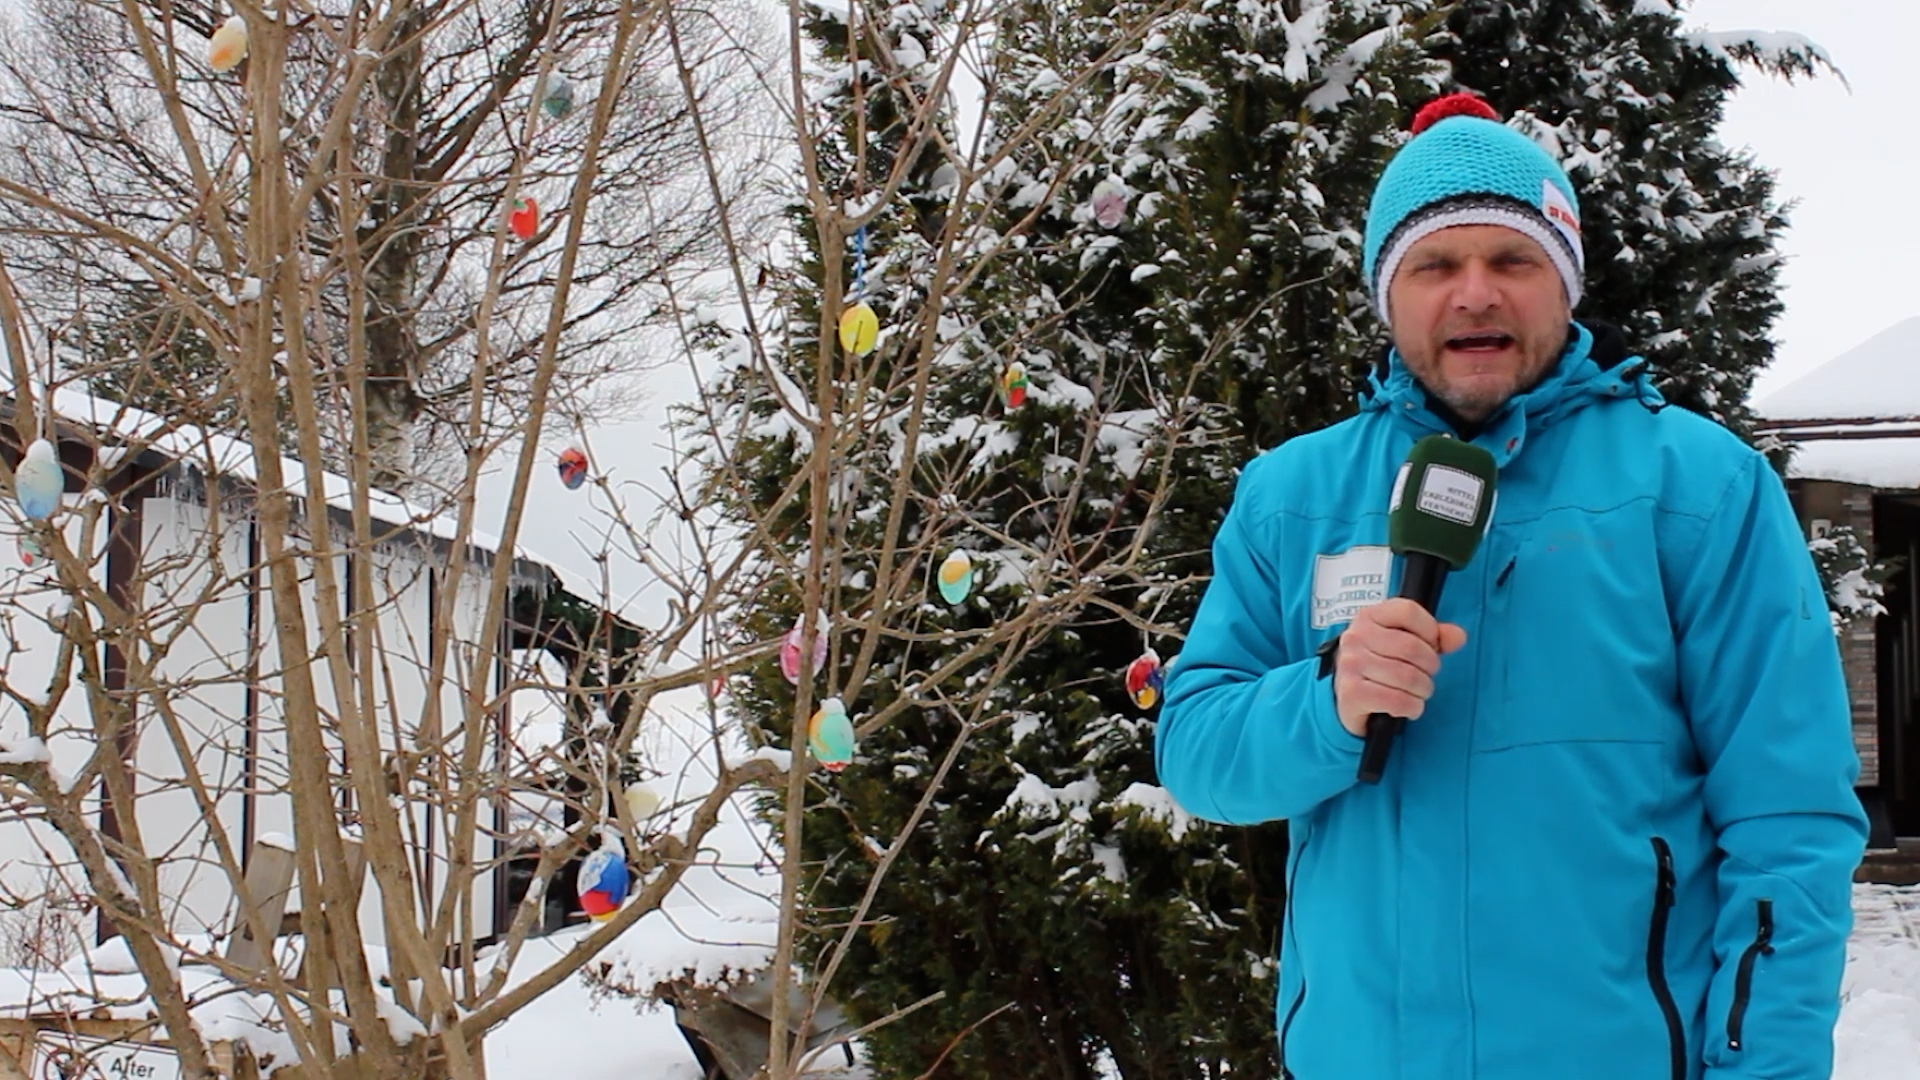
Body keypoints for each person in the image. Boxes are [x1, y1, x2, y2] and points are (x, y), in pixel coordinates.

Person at [1154, 92, 1868, 1080]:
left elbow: (1787, 821)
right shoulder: (1290, 497)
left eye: (1514, 260)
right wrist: (1328, 701)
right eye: (1437, 264)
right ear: (1387, 291)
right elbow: (1196, 752)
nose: (1476, 294)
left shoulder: (1697, 489)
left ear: (1564, 284)